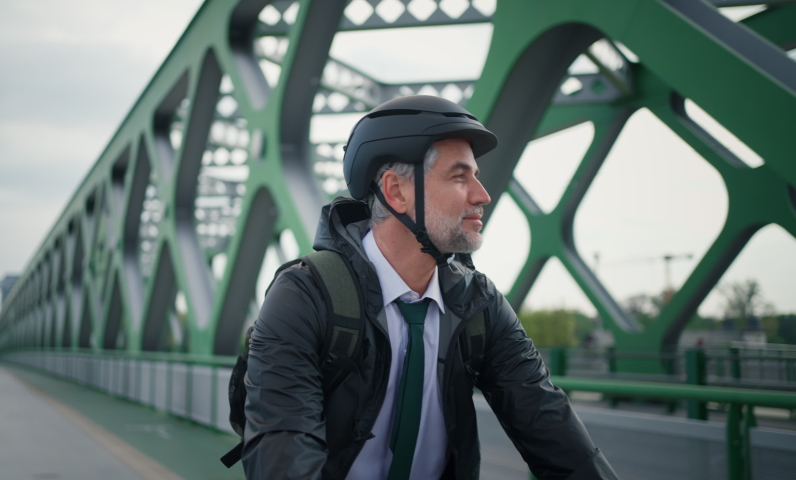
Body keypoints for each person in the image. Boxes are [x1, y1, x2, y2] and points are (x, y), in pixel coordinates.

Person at [242, 96, 616, 479]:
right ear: (396, 191)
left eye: (476, 175)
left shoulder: (479, 304)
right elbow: (283, 456)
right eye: (459, 176)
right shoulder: (305, 296)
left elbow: (550, 426)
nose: (482, 195)